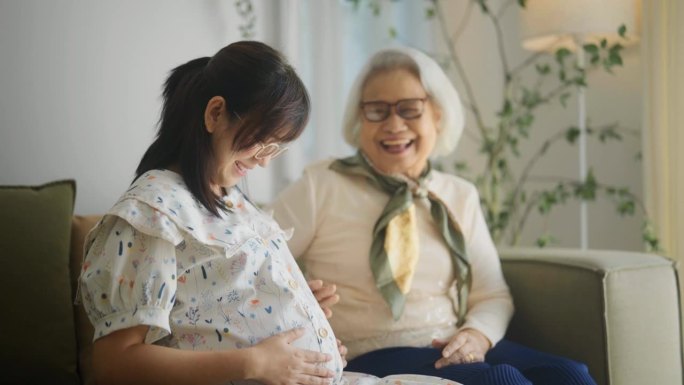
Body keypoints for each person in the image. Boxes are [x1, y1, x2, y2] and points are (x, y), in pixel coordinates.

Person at [269, 46, 598, 385]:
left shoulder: (459, 194)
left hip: (452, 340)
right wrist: (297, 298)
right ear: (358, 119)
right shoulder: (322, 185)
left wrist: (478, 334)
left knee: (570, 374)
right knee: (501, 380)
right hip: (371, 352)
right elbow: (255, 259)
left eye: (410, 110)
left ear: (437, 116)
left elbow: (491, 294)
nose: (394, 125)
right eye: (377, 111)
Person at [78, 41, 347, 385]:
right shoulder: (152, 213)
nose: (264, 160)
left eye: (276, 149)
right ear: (215, 113)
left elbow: (214, 305)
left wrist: (293, 309)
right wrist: (256, 363)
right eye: (262, 141)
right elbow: (114, 364)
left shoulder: (231, 200)